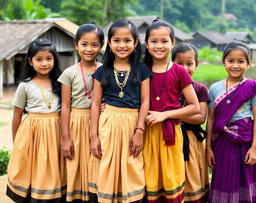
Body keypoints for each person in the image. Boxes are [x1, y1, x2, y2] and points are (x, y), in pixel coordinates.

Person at [88, 18, 151, 203]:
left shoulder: (141, 69)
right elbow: (95, 103)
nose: (122, 45)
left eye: (127, 40)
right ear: (109, 43)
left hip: (133, 124)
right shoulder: (102, 71)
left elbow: (145, 101)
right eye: (116, 40)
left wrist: (140, 130)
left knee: (132, 165)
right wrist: (93, 136)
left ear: (136, 43)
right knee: (107, 164)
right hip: (108, 124)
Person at [143, 19, 200, 203]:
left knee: (171, 179)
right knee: (149, 181)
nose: (159, 46)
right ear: (146, 43)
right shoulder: (141, 70)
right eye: (154, 41)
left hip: (171, 136)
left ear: (173, 43)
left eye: (164, 41)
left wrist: (165, 114)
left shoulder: (179, 71)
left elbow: (194, 106)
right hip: (145, 134)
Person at [6, 38, 64, 202]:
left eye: (49, 58)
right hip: (33, 135)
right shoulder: (25, 86)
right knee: (36, 167)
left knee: (54, 166)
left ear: (55, 59)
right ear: (30, 61)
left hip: (56, 133)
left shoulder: (61, 82)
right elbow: (17, 115)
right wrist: (17, 142)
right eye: (39, 59)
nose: (44, 63)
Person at [58, 22, 104, 203]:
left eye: (94, 44)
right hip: (76, 123)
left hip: (100, 123)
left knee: (96, 162)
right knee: (75, 164)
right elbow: (65, 106)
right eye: (84, 44)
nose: (89, 49)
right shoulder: (69, 73)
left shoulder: (105, 70)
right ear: (76, 45)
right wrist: (65, 137)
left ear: (101, 46)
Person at [206, 41, 256, 203]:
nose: (235, 65)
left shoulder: (252, 86)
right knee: (223, 178)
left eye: (241, 61)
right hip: (222, 143)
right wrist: (208, 148)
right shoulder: (214, 88)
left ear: (249, 64)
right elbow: (211, 119)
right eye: (231, 61)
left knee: (244, 179)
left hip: (245, 143)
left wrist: (255, 148)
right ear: (223, 62)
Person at [172, 43, 209, 203]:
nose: (184, 68)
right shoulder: (166, 86)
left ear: (196, 65)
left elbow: (200, 117)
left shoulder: (200, 89)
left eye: (189, 63)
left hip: (192, 141)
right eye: (179, 63)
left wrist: (171, 115)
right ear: (171, 63)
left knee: (192, 178)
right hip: (170, 139)